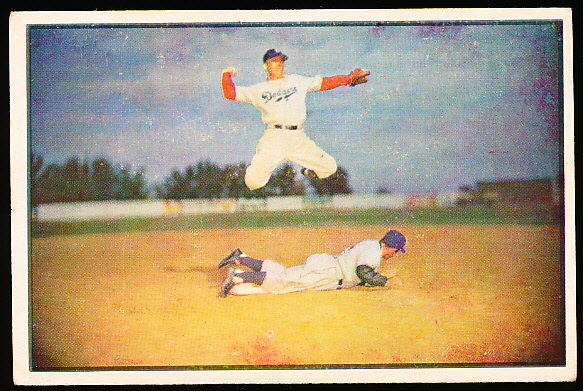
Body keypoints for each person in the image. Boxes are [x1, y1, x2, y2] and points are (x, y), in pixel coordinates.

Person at [221, 48, 370, 190]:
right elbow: (230, 93)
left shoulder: (297, 81)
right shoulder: (259, 89)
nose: (279, 63)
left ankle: (308, 170)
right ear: (266, 66)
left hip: (298, 137)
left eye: (281, 61)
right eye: (274, 61)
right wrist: (226, 74)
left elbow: (324, 83)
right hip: (274, 138)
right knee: (253, 182)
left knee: (330, 167)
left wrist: (348, 79)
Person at [218, 230, 406, 297]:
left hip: (327, 268)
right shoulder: (373, 253)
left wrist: (382, 277)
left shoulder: (371, 245)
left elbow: (359, 276)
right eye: (397, 251)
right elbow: (363, 272)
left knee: (282, 273)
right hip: (327, 273)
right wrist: (385, 281)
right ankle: (237, 275)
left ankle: (241, 257)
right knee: (281, 282)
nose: (395, 255)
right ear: (392, 247)